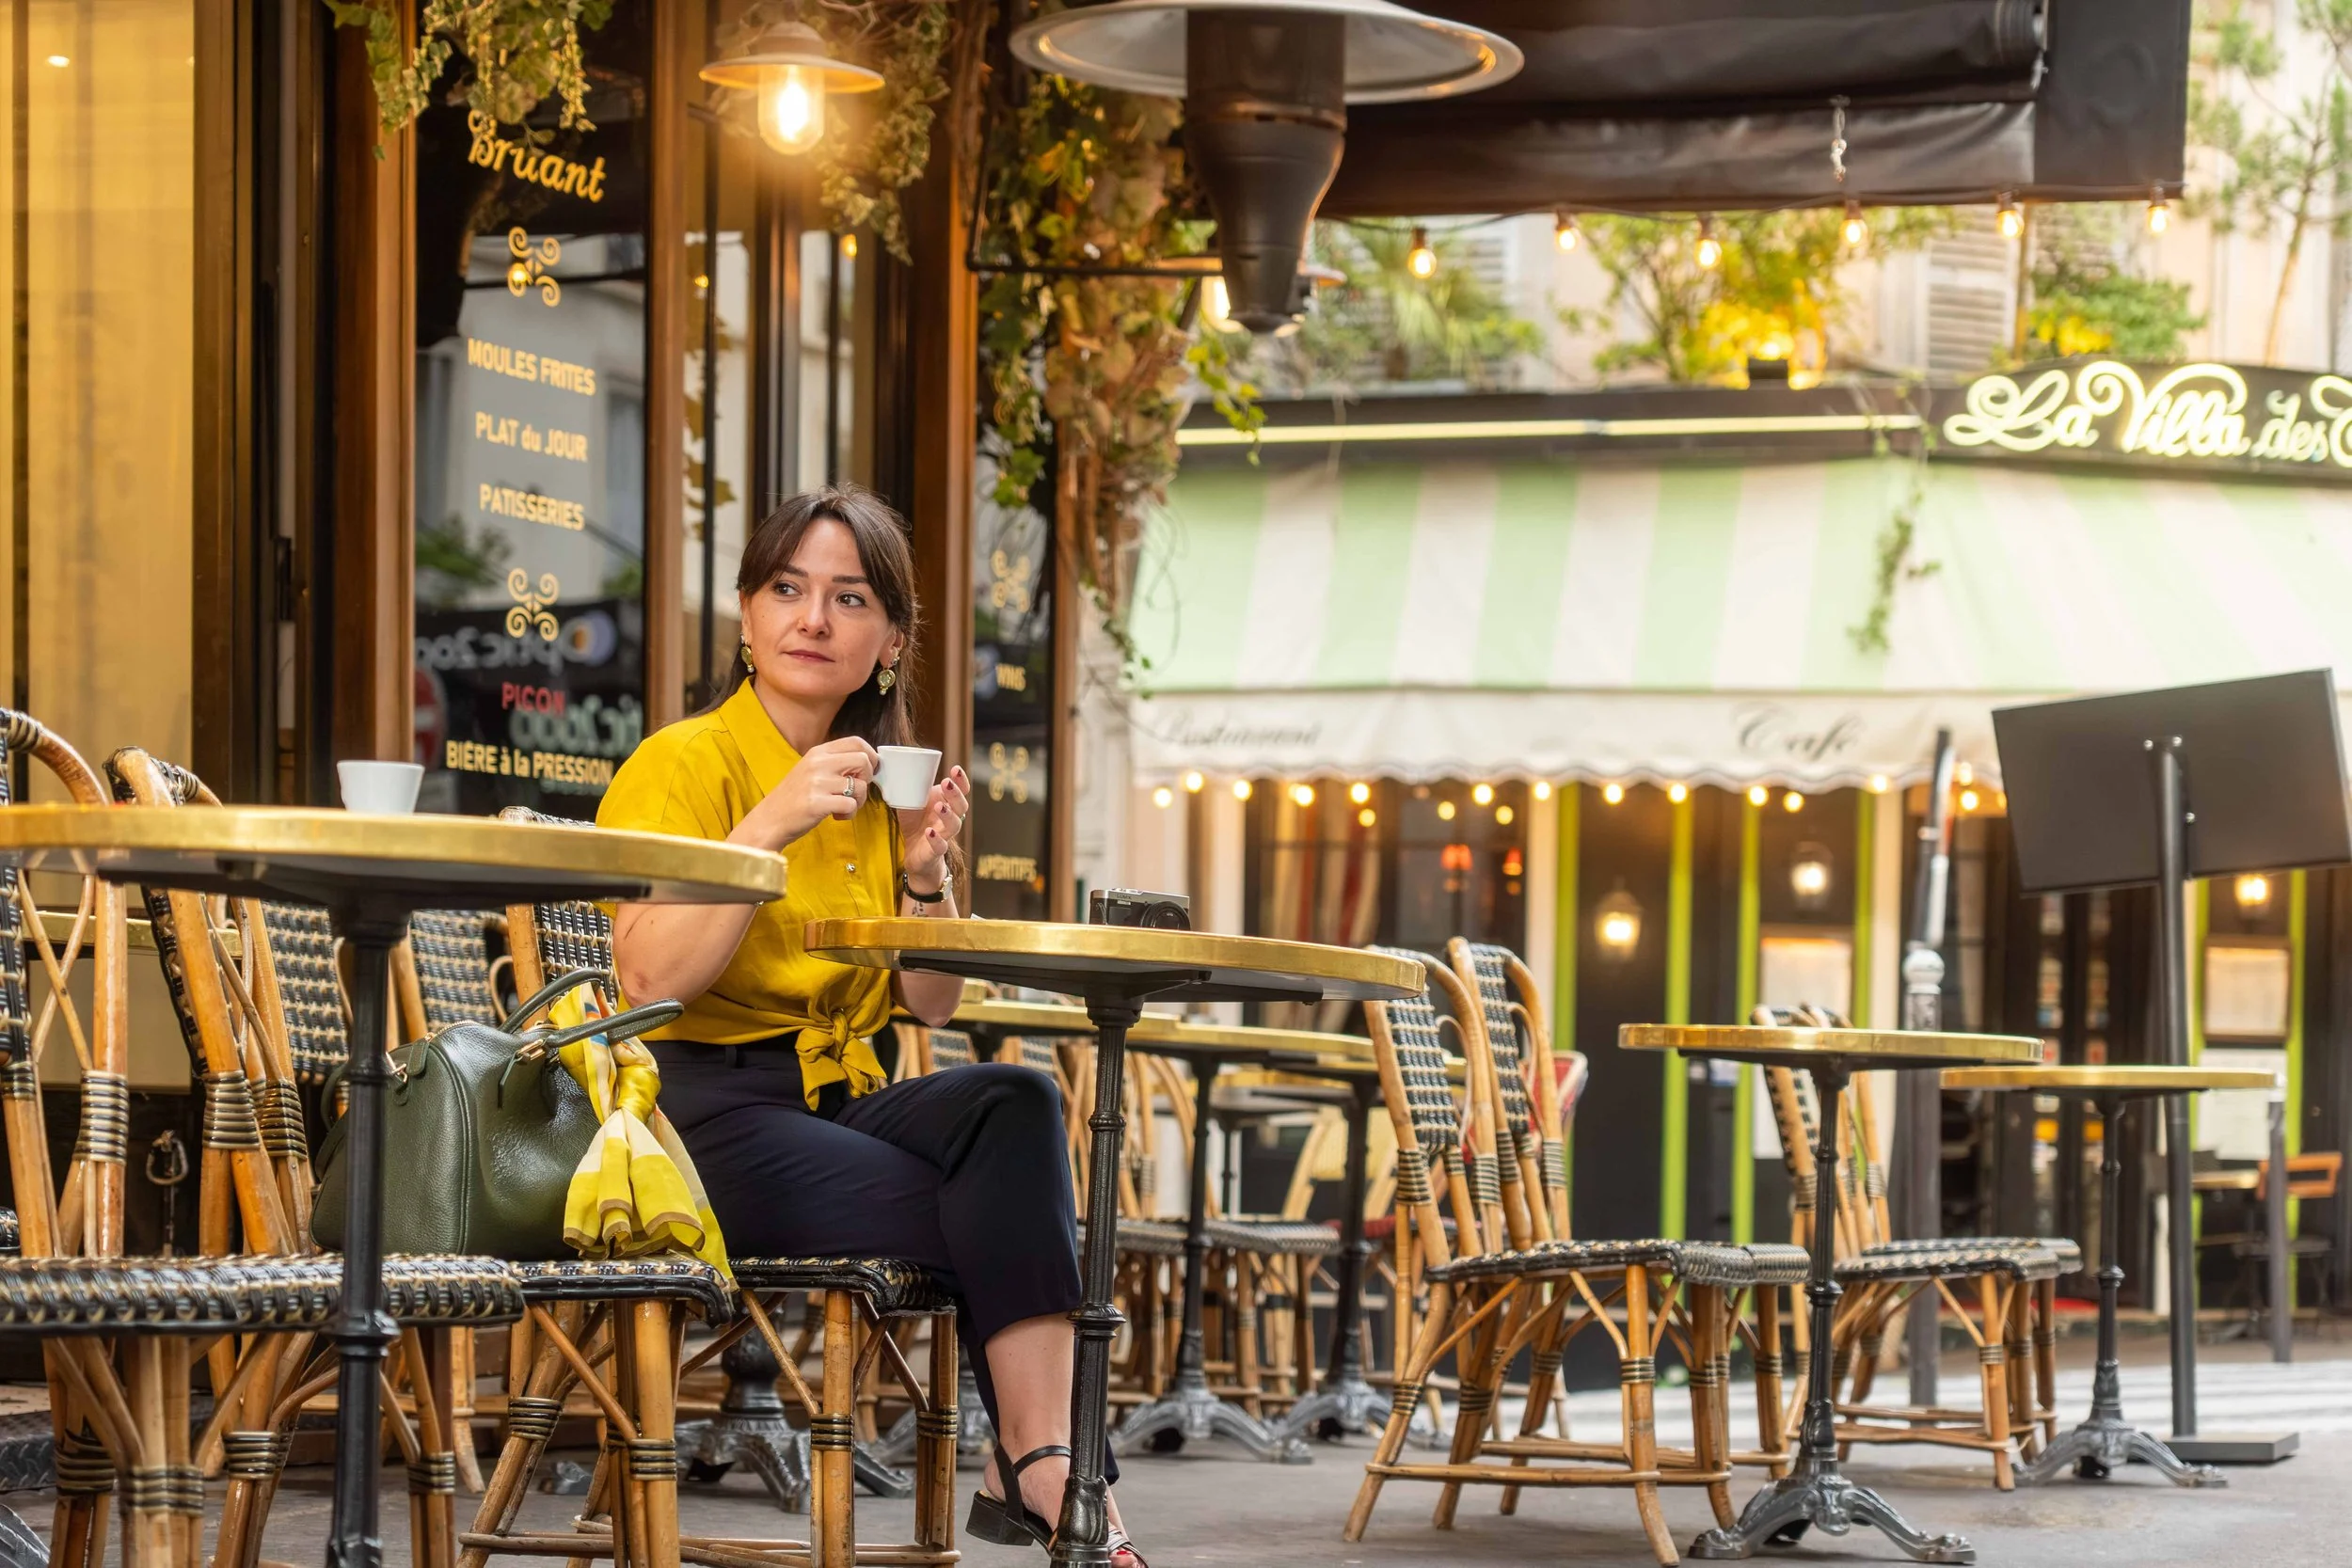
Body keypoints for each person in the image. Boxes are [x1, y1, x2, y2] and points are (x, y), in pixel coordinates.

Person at [596, 484, 1144, 1566]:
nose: (814, 618)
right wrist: (775, 819)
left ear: (889, 641)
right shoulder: (686, 762)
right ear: (747, 615)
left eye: (849, 598)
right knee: (1007, 1218)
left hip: (831, 1104)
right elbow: (650, 979)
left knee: (1015, 1099)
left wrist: (927, 873)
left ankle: (1027, 1457)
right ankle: (1051, 1468)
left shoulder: (878, 788)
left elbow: (929, 1001)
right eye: (788, 589)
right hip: (694, 1115)